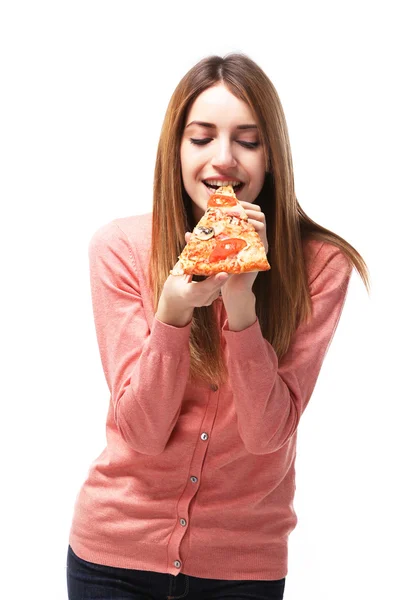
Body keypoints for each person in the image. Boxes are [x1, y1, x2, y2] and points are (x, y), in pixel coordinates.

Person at [66, 53, 369, 600]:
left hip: (242, 570)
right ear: (175, 151)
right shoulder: (119, 248)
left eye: (248, 141)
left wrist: (241, 304)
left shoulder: (322, 264)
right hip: (112, 560)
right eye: (201, 138)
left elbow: (266, 435)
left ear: (273, 156)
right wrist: (172, 314)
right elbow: (141, 432)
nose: (223, 160)